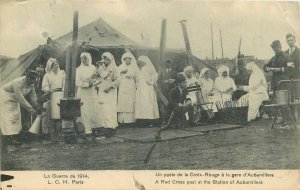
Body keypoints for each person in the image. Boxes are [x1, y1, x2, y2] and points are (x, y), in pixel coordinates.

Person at [0, 70, 41, 145]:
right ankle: (9, 138)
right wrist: (31, 110)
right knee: (9, 117)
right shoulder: (18, 82)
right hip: (6, 97)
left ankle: (15, 136)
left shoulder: (31, 84)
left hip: (15, 99)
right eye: (31, 78)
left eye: (34, 79)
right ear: (27, 77)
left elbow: (33, 96)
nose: (32, 81)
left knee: (16, 116)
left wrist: (38, 106)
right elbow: (21, 99)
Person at [263, 40, 293, 125]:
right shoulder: (273, 58)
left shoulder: (287, 57)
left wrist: (279, 69)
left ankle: (287, 121)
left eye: (276, 48)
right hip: (275, 84)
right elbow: (265, 66)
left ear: (280, 47)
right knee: (277, 103)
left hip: (283, 84)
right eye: (273, 49)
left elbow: (291, 69)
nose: (275, 50)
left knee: (284, 103)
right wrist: (267, 68)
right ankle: (281, 119)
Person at [95, 52, 120, 137]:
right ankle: (105, 127)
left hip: (110, 91)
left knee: (109, 109)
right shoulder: (101, 68)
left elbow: (118, 81)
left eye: (106, 59)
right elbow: (98, 77)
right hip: (102, 90)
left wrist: (110, 87)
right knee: (102, 109)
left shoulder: (114, 68)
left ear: (110, 60)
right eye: (104, 59)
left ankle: (110, 128)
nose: (105, 60)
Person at [42, 58, 65, 141]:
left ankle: (60, 132)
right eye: (54, 65)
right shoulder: (47, 75)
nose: (56, 66)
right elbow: (45, 85)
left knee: (61, 114)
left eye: (57, 65)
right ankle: (54, 133)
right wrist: (47, 89)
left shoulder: (62, 73)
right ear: (50, 66)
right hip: (53, 95)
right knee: (54, 115)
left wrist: (64, 90)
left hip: (62, 95)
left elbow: (65, 83)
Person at [76, 52, 97, 136]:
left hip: (91, 92)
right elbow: (77, 82)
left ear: (89, 58)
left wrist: (94, 83)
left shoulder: (93, 67)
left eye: (85, 58)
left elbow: (96, 78)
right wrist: (87, 84)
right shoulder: (79, 69)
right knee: (84, 110)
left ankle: (93, 127)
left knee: (92, 108)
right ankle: (85, 128)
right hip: (83, 92)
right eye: (82, 58)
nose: (84, 60)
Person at [135, 56, 159, 123]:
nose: (140, 63)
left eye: (141, 62)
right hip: (140, 88)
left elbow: (155, 75)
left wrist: (152, 82)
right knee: (141, 104)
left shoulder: (149, 67)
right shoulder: (139, 69)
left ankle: (149, 120)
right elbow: (138, 78)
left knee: (147, 103)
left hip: (148, 88)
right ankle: (142, 120)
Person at [117, 52, 138, 126]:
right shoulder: (120, 67)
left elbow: (137, 77)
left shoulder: (134, 67)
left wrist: (132, 77)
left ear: (131, 60)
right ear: (124, 59)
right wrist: (121, 72)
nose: (127, 60)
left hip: (131, 86)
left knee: (130, 101)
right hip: (123, 85)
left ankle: (130, 120)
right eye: (126, 59)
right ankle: (122, 120)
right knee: (123, 101)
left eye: (128, 59)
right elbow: (116, 75)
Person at [157, 59, 176, 124]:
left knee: (171, 105)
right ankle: (164, 121)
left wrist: (173, 80)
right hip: (164, 91)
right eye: (167, 63)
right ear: (165, 64)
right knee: (164, 106)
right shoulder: (162, 72)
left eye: (169, 63)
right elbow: (158, 81)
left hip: (172, 91)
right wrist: (165, 81)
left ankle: (171, 120)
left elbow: (178, 80)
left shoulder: (174, 72)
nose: (168, 64)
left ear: (171, 64)